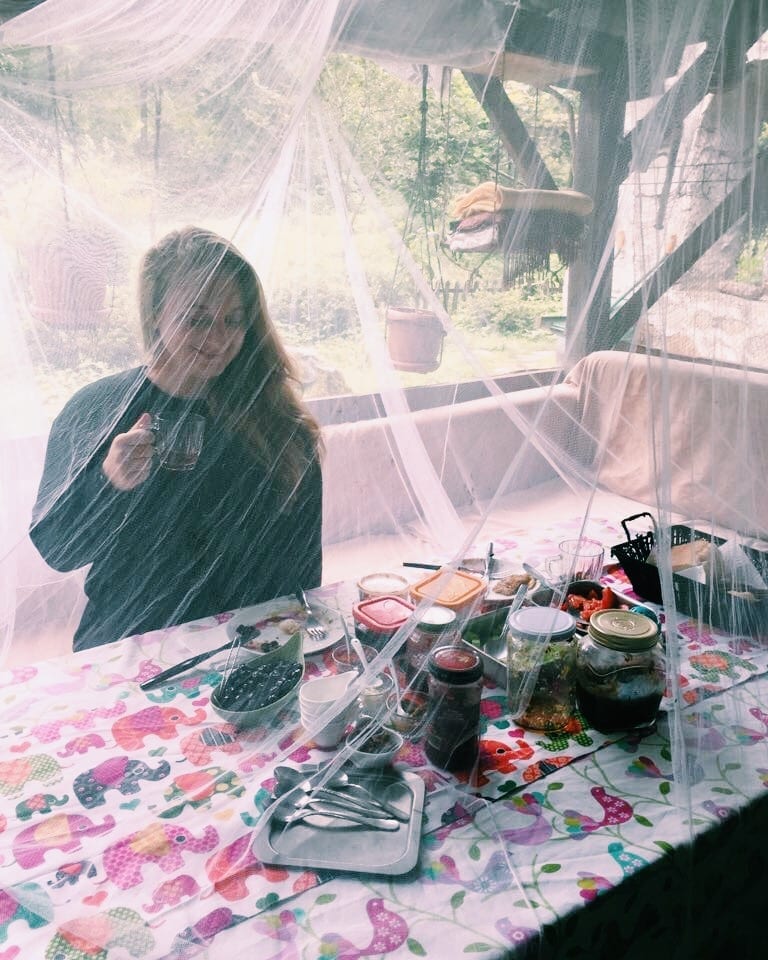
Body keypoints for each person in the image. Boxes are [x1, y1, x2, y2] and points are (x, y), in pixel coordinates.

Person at [30, 227, 323, 651]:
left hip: (255, 644)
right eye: (197, 318)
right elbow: (58, 549)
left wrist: (296, 642)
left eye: (233, 320)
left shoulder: (275, 418)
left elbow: (302, 559)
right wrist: (108, 483)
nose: (218, 339)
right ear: (155, 315)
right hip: (132, 649)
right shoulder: (97, 410)